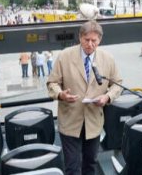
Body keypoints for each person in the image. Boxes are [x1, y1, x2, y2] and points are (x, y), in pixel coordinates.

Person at [46, 20, 122, 175]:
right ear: (80, 37)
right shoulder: (64, 56)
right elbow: (52, 83)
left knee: (90, 164)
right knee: (72, 167)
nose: (90, 44)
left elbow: (117, 84)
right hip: (70, 120)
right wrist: (61, 94)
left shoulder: (108, 59)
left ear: (99, 40)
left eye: (94, 41)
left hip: (94, 121)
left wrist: (107, 97)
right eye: (86, 40)